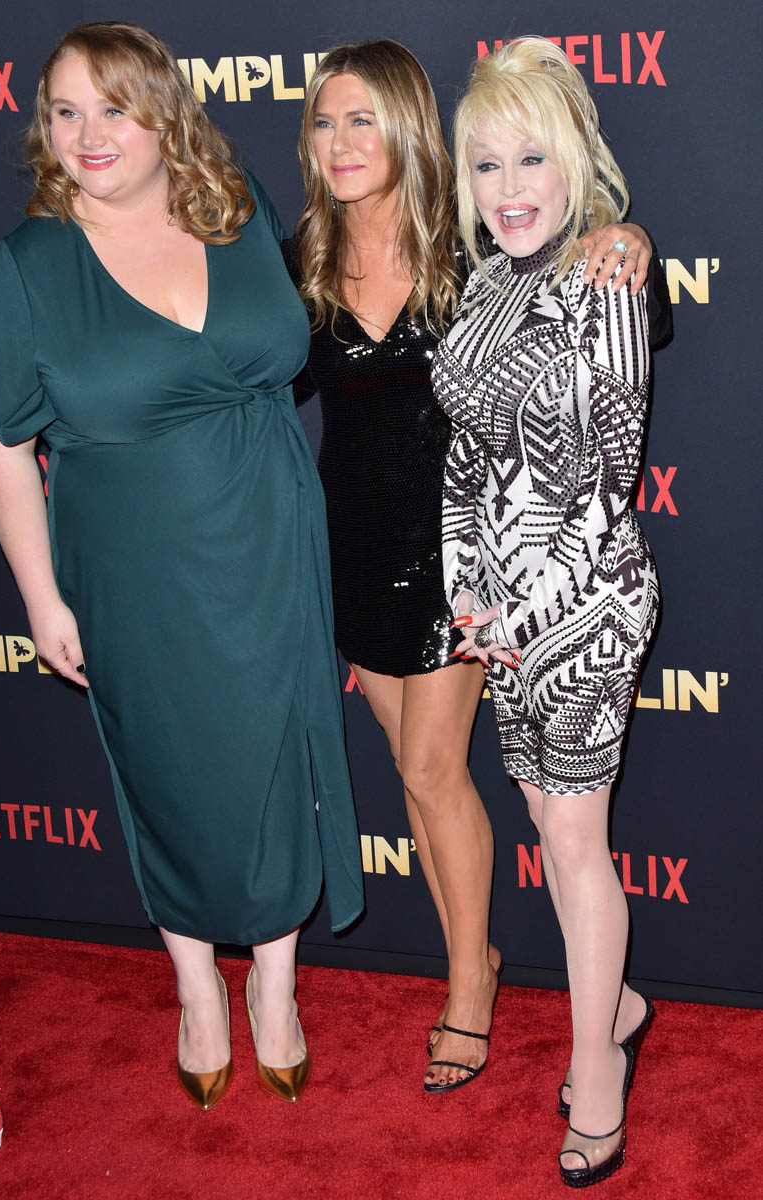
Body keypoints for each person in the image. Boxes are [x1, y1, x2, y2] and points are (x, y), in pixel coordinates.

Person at [0, 22, 363, 1110]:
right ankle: (198, 985)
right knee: (168, 770)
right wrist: (41, 597)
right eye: (66, 111)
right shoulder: (24, 268)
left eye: (114, 107)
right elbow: (4, 447)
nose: (88, 134)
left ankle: (276, 985)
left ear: (164, 113)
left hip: (269, 534)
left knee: (276, 756)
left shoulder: (235, 204)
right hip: (130, 563)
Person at [284, 38, 667, 1094]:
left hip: (529, 581)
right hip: (408, 561)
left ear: (408, 127)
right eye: (323, 121)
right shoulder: (314, 260)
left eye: (363, 118)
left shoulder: (486, 244)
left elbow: (607, 422)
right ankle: (539, 984)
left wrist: (629, 237)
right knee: (450, 784)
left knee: (452, 780)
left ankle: (503, 1007)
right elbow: (250, 380)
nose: (341, 141)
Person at [434, 37, 659, 1184]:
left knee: (574, 844)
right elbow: (465, 462)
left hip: (584, 608)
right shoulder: (484, 283)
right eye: (485, 164)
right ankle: (614, 1001)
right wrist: (467, 591)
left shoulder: (603, 276)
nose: (508, 187)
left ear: (574, 162)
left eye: (530, 158)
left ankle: (598, 1068)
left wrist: (532, 614)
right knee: (544, 822)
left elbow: (605, 478)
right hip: (503, 611)